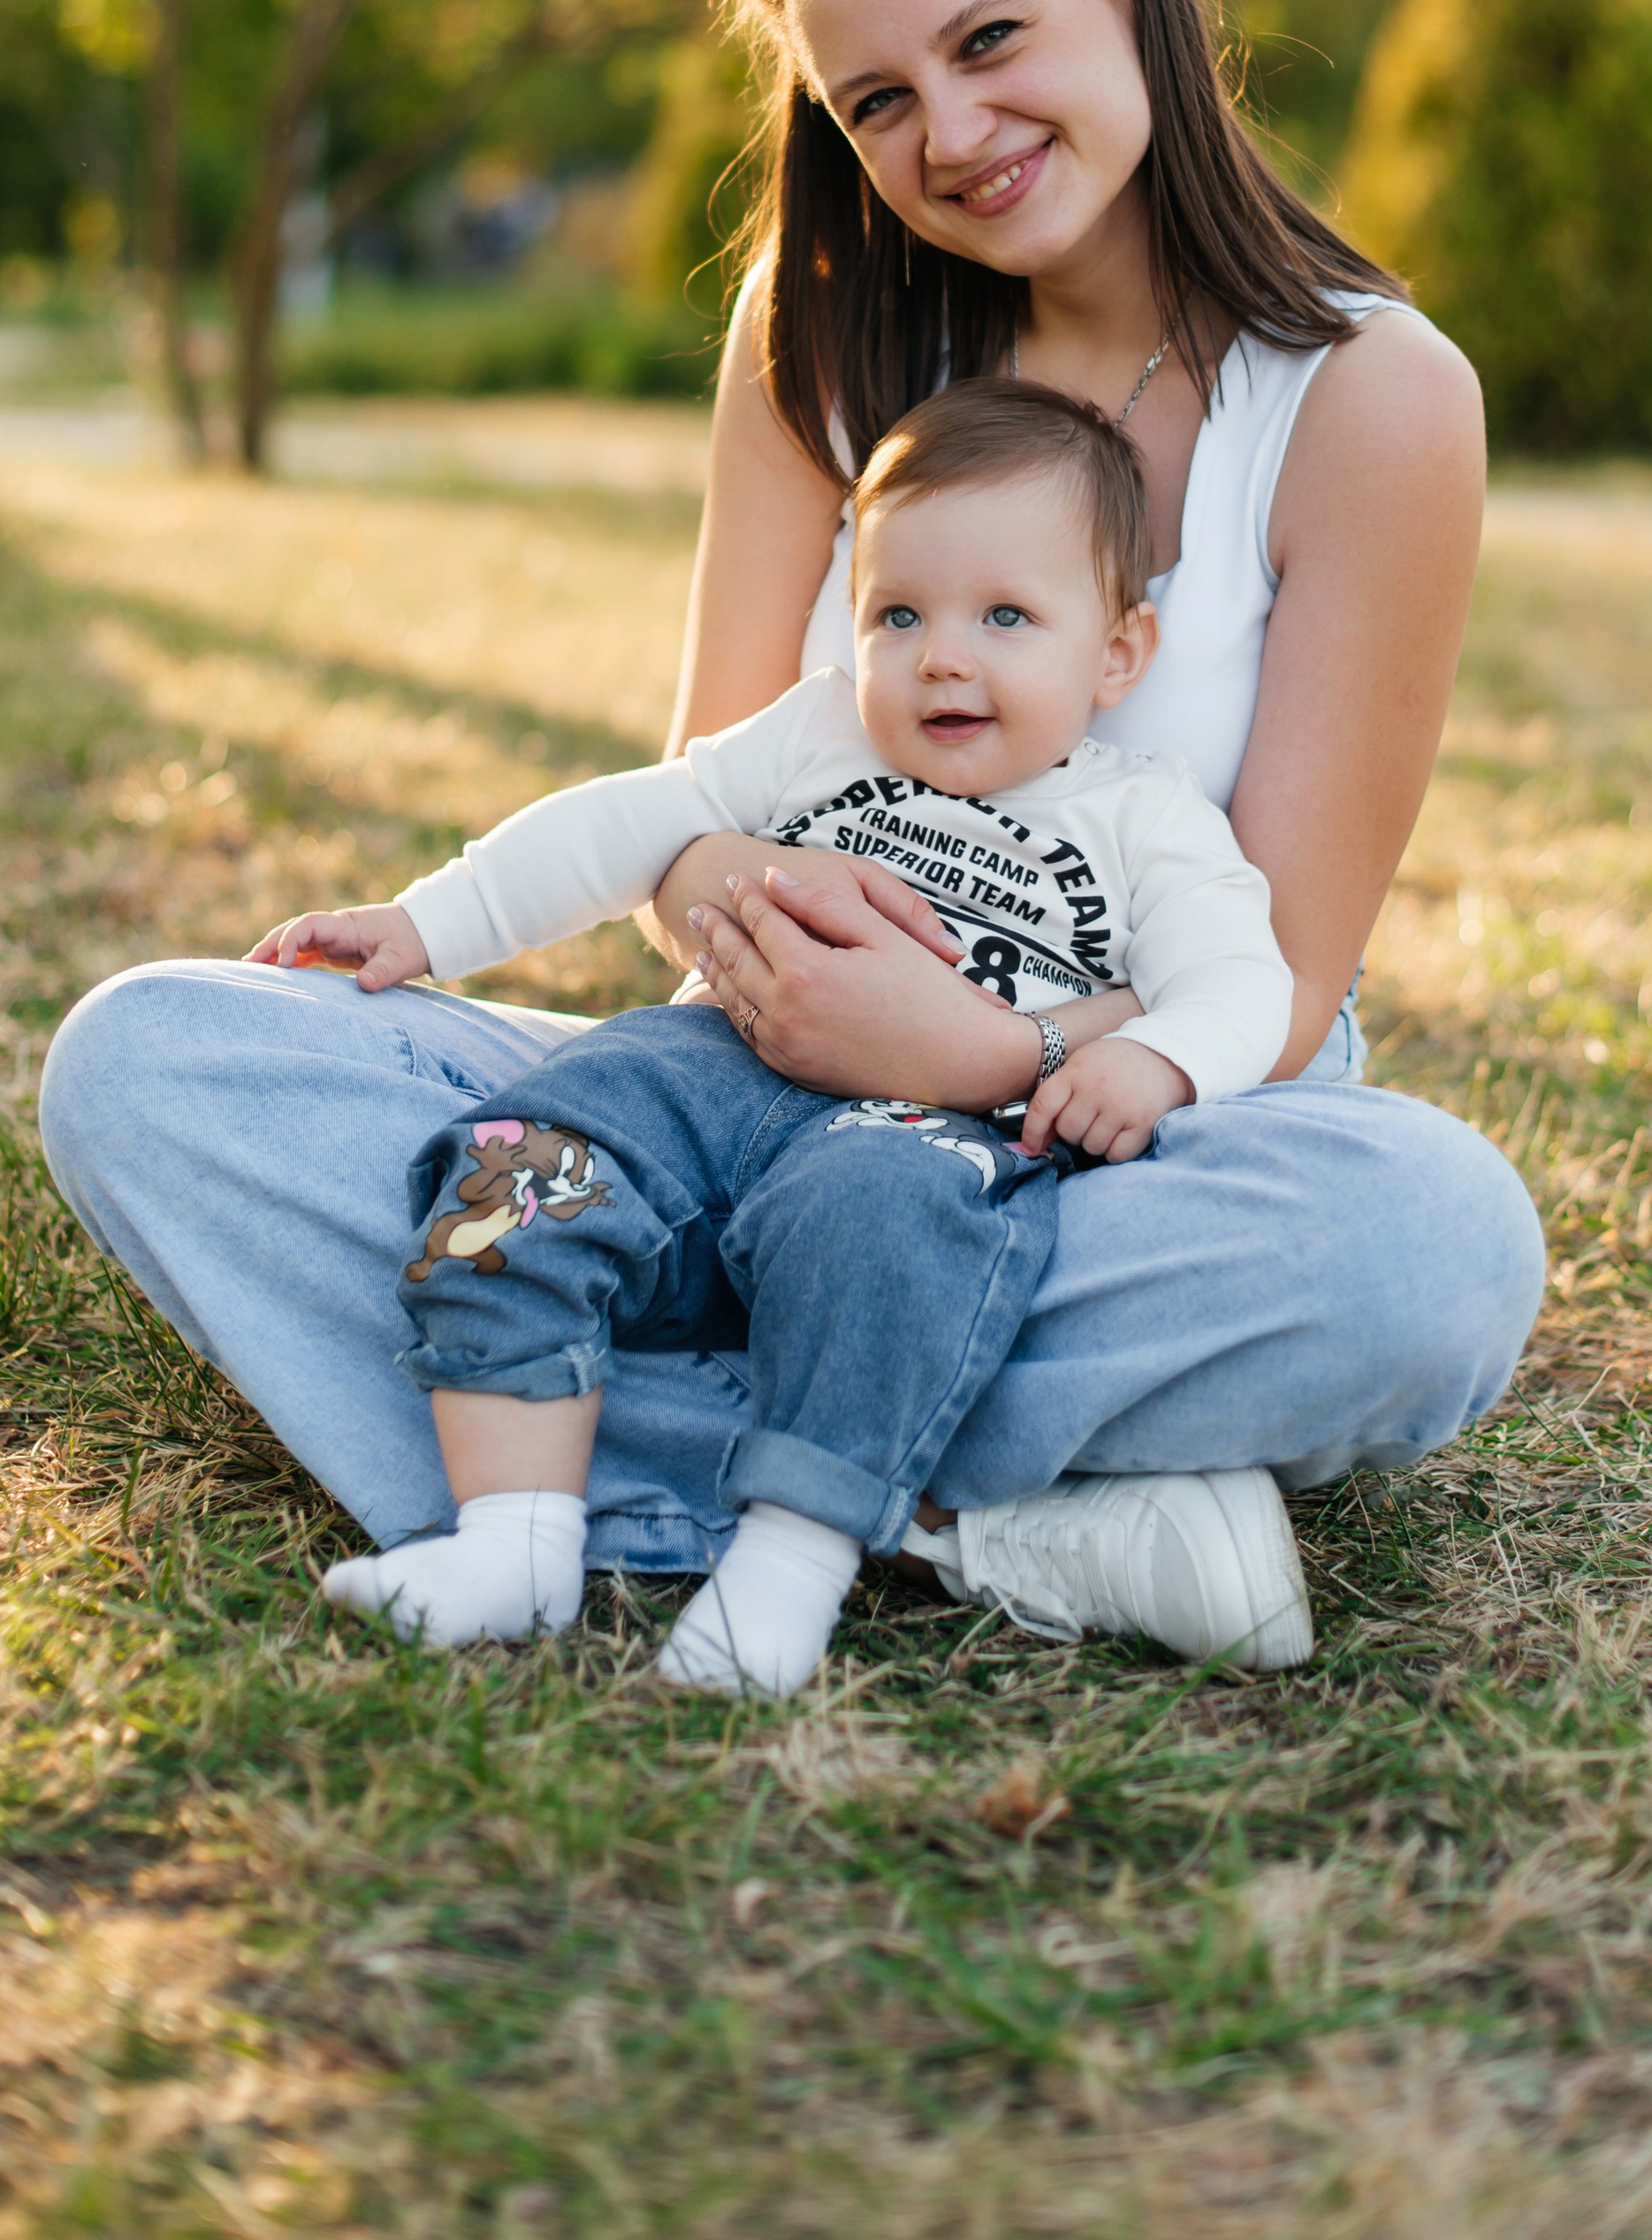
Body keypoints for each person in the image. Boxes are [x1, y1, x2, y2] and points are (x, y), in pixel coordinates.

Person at [39, 0, 1544, 1669]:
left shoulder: (1368, 396)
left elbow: (1287, 983)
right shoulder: (820, 324)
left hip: (1108, 1134)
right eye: (880, 98)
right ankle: (966, 1513)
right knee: (149, 1063)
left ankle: (639, 1445)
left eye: (992, 37)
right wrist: (733, 970)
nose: (955, 130)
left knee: (1432, 1248)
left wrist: (976, 1052)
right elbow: (694, 832)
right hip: (736, 1090)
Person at [288, 380, 1295, 1693]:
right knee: (536, 1143)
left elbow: (1245, 979)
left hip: (927, 1123)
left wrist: (1149, 1060)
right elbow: (631, 820)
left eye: (1006, 616)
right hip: (714, 1064)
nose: (944, 654)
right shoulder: (818, 734)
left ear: (1117, 653)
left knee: (887, 1238)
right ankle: (509, 1535)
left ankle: (785, 1574)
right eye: (899, 613)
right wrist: (432, 922)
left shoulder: (1143, 820)